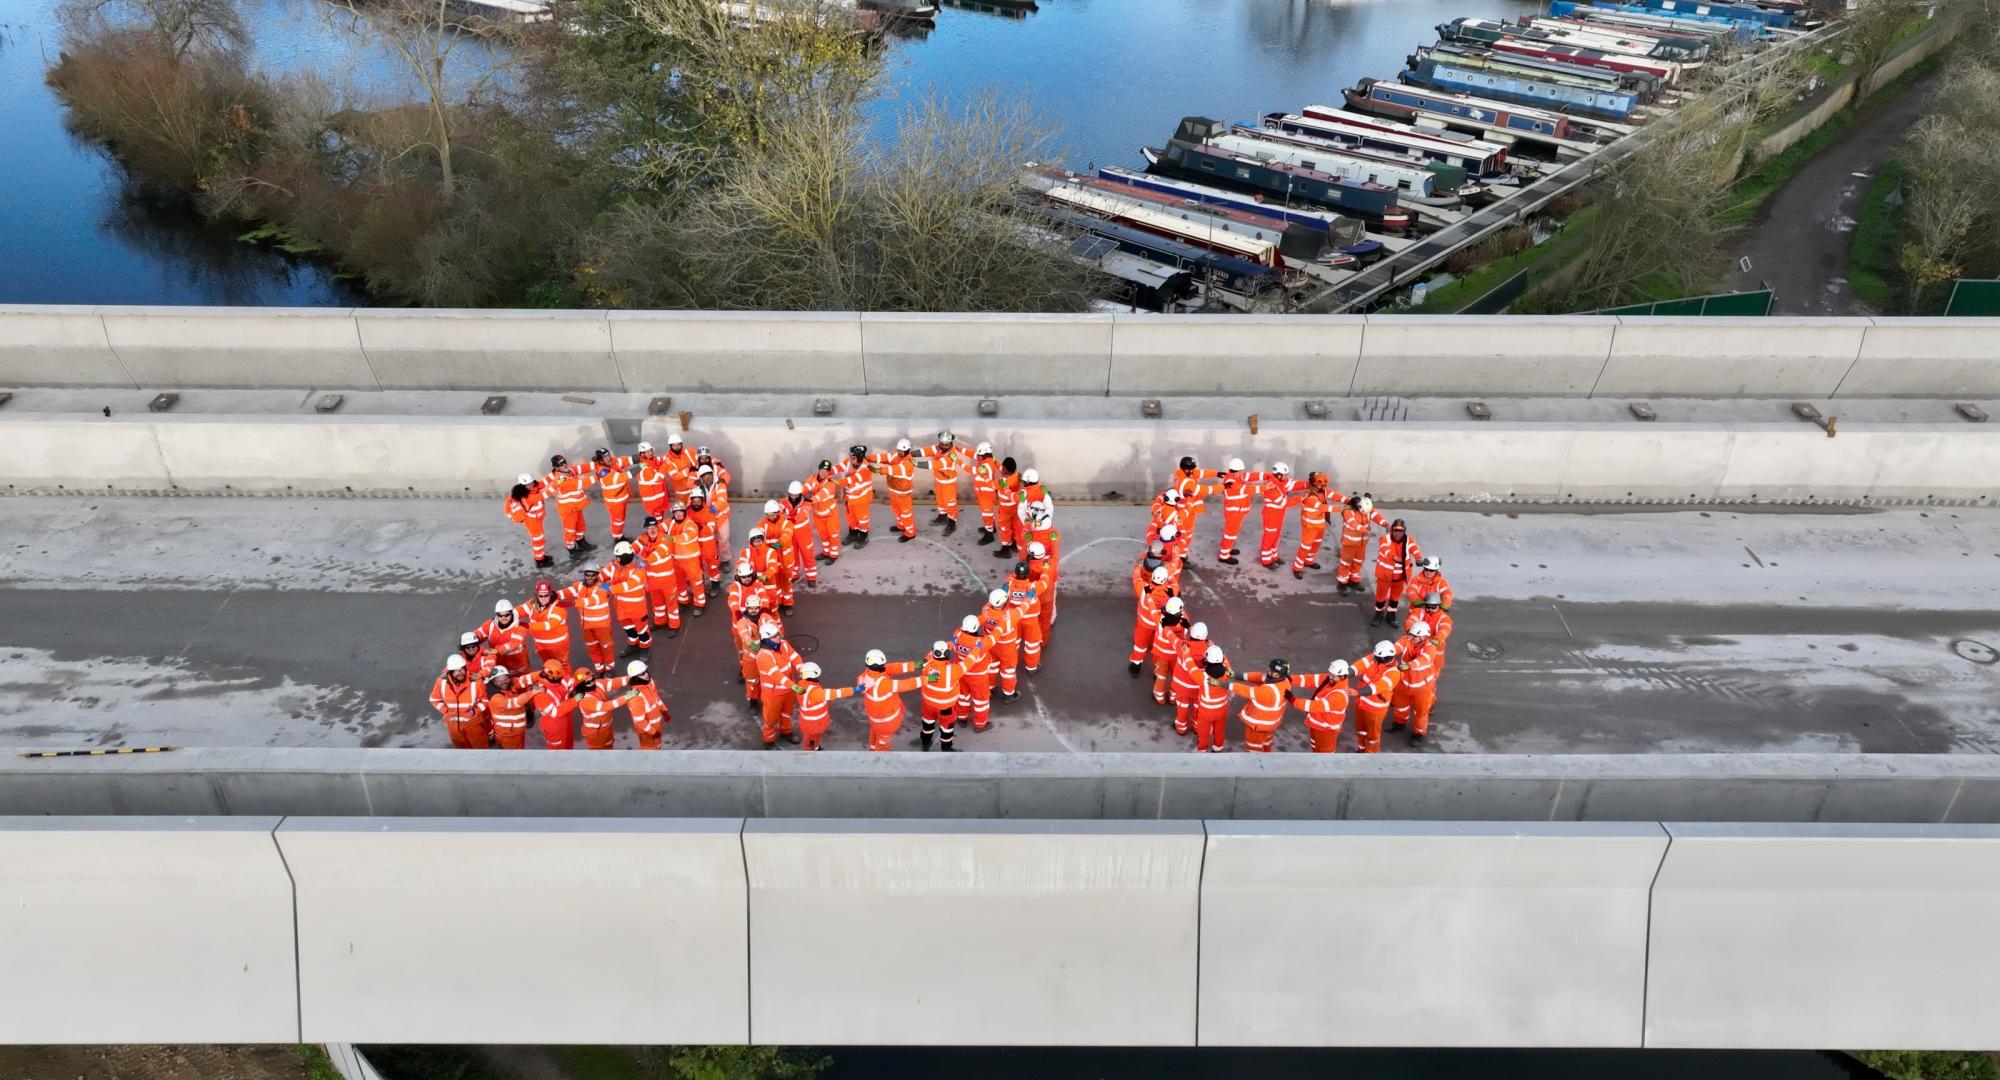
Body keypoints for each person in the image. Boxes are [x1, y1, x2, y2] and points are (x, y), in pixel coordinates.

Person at [857, 649, 924, 751]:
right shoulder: (882, 684)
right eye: (883, 665)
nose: (885, 666)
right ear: (879, 667)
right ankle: (876, 760)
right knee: (883, 746)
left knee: (874, 734)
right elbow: (906, 684)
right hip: (886, 724)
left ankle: (871, 750)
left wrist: (915, 665)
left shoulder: (864, 676)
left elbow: (893, 668)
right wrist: (927, 679)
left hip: (876, 721)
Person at [1214, 459, 1274, 565]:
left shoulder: (1238, 475)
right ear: (1235, 472)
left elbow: (1251, 476)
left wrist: (1267, 475)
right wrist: (1265, 487)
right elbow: (1246, 489)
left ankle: (1227, 549)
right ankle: (1224, 556)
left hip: (1238, 511)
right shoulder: (1231, 482)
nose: (1243, 473)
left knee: (1233, 533)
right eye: (1241, 471)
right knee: (1230, 534)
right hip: (1233, 513)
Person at [1287, 659, 1353, 754]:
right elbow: (1309, 680)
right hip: (1317, 726)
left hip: (1326, 731)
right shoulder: (1330, 681)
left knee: (1325, 755)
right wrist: (1289, 679)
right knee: (1316, 749)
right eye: (1330, 674)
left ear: (1343, 677)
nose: (1329, 677)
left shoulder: (1339, 696)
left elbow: (1317, 706)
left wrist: (1293, 701)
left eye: (1333, 676)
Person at [754, 621, 803, 748]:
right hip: (773, 695)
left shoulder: (784, 644)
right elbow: (777, 675)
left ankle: (786, 732)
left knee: (787, 713)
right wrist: (794, 686)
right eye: (775, 636)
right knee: (771, 719)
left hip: (788, 691)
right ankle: (768, 740)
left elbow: (795, 657)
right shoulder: (763, 656)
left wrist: (802, 671)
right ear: (766, 639)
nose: (779, 637)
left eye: (778, 634)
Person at [633, 516, 683, 637]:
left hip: (667, 581)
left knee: (671, 604)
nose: (652, 530)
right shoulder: (643, 539)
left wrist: (644, 562)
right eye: (649, 527)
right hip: (652, 581)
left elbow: (659, 553)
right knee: (657, 604)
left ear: (658, 527)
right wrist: (626, 553)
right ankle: (660, 622)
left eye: (654, 527)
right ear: (645, 529)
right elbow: (634, 547)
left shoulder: (666, 539)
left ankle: (674, 625)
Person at [1391, 622, 1439, 745]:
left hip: (1422, 688)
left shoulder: (1430, 647)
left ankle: (1418, 733)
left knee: (1421, 713)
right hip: (1403, 682)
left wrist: (1409, 665)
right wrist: (1387, 652)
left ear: (1424, 637)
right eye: (1411, 635)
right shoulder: (1406, 639)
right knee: (1400, 706)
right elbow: (1397, 647)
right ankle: (1400, 723)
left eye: (1414, 637)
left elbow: (1423, 660)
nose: (1411, 638)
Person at [1351, 640, 1403, 754]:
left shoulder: (1394, 672)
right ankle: (1361, 749)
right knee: (1361, 730)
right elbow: (1360, 664)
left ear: (1385, 658)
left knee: (1372, 735)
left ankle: (1371, 755)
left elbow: (1378, 687)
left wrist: (1357, 692)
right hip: (1361, 702)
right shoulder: (1376, 657)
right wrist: (1347, 672)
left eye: (1377, 657)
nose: (1374, 658)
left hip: (1375, 709)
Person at [1231, 659, 1293, 753]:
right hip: (1268, 727)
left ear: (1278, 674)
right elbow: (1260, 677)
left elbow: (1245, 690)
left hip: (1257, 729)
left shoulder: (1268, 691)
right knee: (1266, 746)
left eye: (1271, 670)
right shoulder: (1284, 682)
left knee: (1253, 752)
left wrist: (1224, 684)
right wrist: (1238, 675)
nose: (1268, 671)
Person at [543, 454, 597, 560]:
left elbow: (583, 468)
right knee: (570, 530)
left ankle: (581, 542)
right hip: (568, 510)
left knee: (580, 526)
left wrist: (597, 463)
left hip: (576, 506)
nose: (564, 465)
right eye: (561, 464)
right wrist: (598, 476)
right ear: (556, 467)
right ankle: (571, 549)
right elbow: (579, 484)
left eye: (564, 462)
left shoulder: (569, 471)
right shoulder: (561, 479)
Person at [866, 439, 920, 542]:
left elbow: (893, 470)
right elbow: (884, 457)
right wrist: (869, 458)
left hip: (903, 494)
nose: (899, 452)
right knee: (897, 510)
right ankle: (901, 526)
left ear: (908, 451)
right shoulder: (896, 455)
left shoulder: (908, 463)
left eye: (901, 451)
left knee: (905, 513)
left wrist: (878, 470)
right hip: (894, 490)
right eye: (898, 450)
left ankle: (910, 533)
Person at [1372, 519, 1424, 626]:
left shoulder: (1409, 540)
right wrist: (1394, 557)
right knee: (1381, 596)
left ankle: (1391, 615)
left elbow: (1414, 549)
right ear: (1391, 530)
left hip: (1400, 576)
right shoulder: (1384, 539)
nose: (1397, 533)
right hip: (1385, 575)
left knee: (1395, 597)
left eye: (1400, 531)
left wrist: (1418, 558)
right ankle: (1379, 614)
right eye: (1395, 530)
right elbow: (1384, 549)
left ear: (1404, 531)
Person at [431, 653, 488, 749]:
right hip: (453, 727)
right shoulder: (441, 682)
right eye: (456, 671)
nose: (460, 673)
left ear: (466, 668)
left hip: (473, 725)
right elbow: (434, 699)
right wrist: (445, 711)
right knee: (460, 750)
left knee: (480, 749)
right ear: (450, 672)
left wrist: (475, 711)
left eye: (462, 669)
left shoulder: (476, 682)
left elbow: (484, 701)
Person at [1256, 463, 1308, 569]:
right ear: (1278, 475)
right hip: (1271, 516)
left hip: (1278, 516)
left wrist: (1308, 483)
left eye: (1286, 474)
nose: (1286, 477)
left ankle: (1273, 556)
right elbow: (1283, 503)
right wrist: (1301, 498)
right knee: (1269, 537)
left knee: (1275, 537)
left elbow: (1294, 484)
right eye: (1285, 475)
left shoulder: (1280, 482)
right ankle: (1266, 560)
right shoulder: (1270, 487)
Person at [792, 662, 853, 751]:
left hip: (808, 724)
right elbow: (836, 693)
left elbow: (793, 686)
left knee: (812, 740)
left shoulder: (800, 686)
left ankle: (815, 748)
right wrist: (854, 690)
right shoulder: (815, 693)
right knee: (811, 743)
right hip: (815, 725)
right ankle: (812, 753)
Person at [916, 641, 965, 751]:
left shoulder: (925, 665)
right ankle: (946, 747)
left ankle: (925, 740)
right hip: (946, 708)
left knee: (927, 722)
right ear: (947, 654)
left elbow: (926, 658)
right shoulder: (954, 670)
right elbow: (970, 660)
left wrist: (949, 644)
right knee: (947, 728)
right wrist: (977, 649)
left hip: (928, 704)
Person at [1337, 494, 1390, 594]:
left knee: (1358, 562)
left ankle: (1354, 581)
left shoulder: (1367, 509)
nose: (1367, 514)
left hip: (1362, 544)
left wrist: (1386, 525)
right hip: (1349, 544)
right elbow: (1353, 524)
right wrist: (1366, 531)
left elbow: (1377, 517)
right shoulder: (1347, 511)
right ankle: (1342, 583)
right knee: (1346, 563)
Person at [950, 615, 995, 732]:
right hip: (978, 677)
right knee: (981, 700)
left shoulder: (957, 635)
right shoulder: (981, 643)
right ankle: (980, 724)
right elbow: (996, 636)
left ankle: (962, 717)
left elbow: (959, 630)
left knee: (963, 696)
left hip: (961, 673)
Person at [613, 659, 669, 750]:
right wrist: (653, 732)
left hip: (656, 726)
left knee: (657, 746)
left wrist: (664, 710)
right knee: (648, 749)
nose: (646, 675)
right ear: (635, 678)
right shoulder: (636, 697)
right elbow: (639, 721)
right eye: (642, 674)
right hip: (646, 732)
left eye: (645, 671)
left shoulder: (650, 683)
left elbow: (656, 698)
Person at [978, 588, 1023, 699]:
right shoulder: (1009, 616)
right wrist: (1029, 599)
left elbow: (990, 605)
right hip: (1006, 648)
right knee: (1008, 670)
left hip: (991, 645)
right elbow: (1022, 609)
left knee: (992, 667)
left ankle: (991, 687)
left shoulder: (985, 610)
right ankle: (1008, 694)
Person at [1129, 565, 1175, 675]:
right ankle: (1157, 671)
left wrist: (1139, 566)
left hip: (1144, 624)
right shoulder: (1171, 591)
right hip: (1159, 626)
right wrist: (1170, 577)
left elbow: (1136, 578)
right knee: (1158, 648)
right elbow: (1175, 585)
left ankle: (1136, 665)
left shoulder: (1144, 589)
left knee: (1140, 644)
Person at [571, 565, 616, 674]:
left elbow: (593, 600)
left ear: (597, 575)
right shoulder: (580, 586)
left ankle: (610, 669)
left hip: (602, 627)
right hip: (586, 626)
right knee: (592, 648)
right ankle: (600, 669)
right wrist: (552, 595)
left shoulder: (603, 587)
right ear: (584, 575)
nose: (590, 577)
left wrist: (574, 603)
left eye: (593, 575)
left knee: (607, 648)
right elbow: (568, 591)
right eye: (587, 575)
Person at [1170, 622, 1212, 736]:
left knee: (1182, 707)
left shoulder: (1183, 646)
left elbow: (1173, 639)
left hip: (1182, 687)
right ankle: (1197, 728)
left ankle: (1181, 728)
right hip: (1199, 688)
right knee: (1198, 708)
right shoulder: (1210, 650)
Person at [918, 430, 965, 534]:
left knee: (950, 503)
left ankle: (952, 524)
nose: (943, 446)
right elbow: (924, 451)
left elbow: (932, 465)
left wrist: (915, 463)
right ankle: (942, 517)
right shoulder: (937, 448)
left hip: (948, 484)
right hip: (939, 481)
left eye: (946, 444)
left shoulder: (950, 456)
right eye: (942, 444)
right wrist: (909, 454)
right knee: (940, 500)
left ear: (950, 443)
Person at [503, 473, 553, 568]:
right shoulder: (528, 497)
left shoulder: (529, 490)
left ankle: (541, 556)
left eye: (531, 483)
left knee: (539, 539)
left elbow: (542, 483)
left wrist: (553, 474)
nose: (531, 485)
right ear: (523, 486)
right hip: (532, 521)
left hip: (536, 519)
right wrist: (559, 482)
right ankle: (540, 561)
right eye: (528, 485)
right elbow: (545, 494)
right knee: (538, 540)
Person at [1291, 473, 1334, 579]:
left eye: (1325, 485)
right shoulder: (1309, 496)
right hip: (1310, 527)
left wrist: (1350, 501)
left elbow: (1335, 495)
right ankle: (1297, 567)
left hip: (1320, 525)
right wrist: (1341, 509)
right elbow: (1321, 507)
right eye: (1322, 485)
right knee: (1306, 546)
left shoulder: (1321, 492)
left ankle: (1308, 561)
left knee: (1316, 544)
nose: (1324, 487)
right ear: (1314, 484)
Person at [522, 578, 573, 668]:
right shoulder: (532, 604)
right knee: (548, 666)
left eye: (546, 595)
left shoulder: (558, 607)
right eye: (541, 596)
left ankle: (566, 681)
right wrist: (507, 615)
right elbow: (519, 610)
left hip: (558, 647)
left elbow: (550, 625)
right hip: (541, 646)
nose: (544, 598)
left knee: (561, 667)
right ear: (536, 595)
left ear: (550, 594)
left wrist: (527, 625)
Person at [564, 668, 619, 750]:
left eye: (593, 679)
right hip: (595, 733)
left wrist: (631, 677)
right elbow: (606, 706)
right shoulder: (584, 699)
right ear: (581, 684)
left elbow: (614, 682)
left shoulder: (597, 685)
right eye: (588, 682)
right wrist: (626, 697)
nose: (593, 682)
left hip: (606, 728)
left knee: (609, 745)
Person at [1148, 597, 1189, 706]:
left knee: (1161, 677)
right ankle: (1173, 698)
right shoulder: (1184, 621)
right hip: (1176, 656)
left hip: (1161, 655)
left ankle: (1159, 697)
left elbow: (1153, 611)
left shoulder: (1160, 619)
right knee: (1176, 678)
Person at [667, 505, 708, 614]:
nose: (678, 514)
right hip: (675, 560)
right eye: (676, 512)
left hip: (690, 560)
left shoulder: (690, 524)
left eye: (680, 512)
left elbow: (688, 536)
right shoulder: (670, 523)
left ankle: (700, 604)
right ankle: (683, 601)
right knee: (679, 583)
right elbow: (659, 528)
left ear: (685, 513)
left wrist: (672, 538)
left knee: (696, 583)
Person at [591, 447, 638, 541]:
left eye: (608, 455)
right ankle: (617, 539)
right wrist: (640, 467)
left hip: (620, 498)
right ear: (601, 461)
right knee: (618, 521)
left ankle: (620, 535)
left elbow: (625, 461)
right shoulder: (604, 472)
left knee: (620, 520)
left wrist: (639, 457)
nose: (608, 458)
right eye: (605, 457)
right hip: (615, 502)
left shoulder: (612, 462)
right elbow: (623, 477)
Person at [1006, 561, 1045, 675]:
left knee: (1013, 643)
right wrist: (1045, 568)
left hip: (1014, 619)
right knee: (1032, 644)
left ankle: (1011, 664)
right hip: (1031, 621)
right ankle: (1031, 667)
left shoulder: (1008, 585)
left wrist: (1015, 574)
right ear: (1028, 574)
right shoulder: (1033, 587)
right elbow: (1045, 581)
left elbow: (1010, 578)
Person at [1192, 647, 1233, 752]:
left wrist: (1187, 654)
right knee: (1219, 729)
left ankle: (1202, 748)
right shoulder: (1228, 672)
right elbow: (1226, 662)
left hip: (1206, 712)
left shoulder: (1202, 677)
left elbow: (1189, 666)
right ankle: (1218, 746)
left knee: (1203, 732)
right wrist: (1221, 654)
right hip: (1222, 709)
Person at [484, 669, 536, 750]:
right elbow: (513, 703)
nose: (503, 682)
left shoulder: (510, 684)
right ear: (493, 681)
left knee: (520, 750)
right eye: (499, 680)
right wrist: (532, 692)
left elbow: (527, 678)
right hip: (508, 734)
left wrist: (544, 672)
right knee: (513, 756)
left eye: (505, 679)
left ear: (509, 678)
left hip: (518, 730)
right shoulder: (494, 696)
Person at [804, 460, 844, 562]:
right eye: (822, 470)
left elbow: (821, 495)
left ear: (829, 472)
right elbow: (806, 487)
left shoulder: (831, 483)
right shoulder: (812, 479)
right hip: (818, 515)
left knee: (833, 536)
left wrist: (807, 501)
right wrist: (797, 494)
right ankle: (826, 552)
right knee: (823, 536)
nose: (824, 473)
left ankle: (834, 555)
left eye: (826, 471)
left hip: (830, 515)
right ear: (819, 469)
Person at [476, 599, 529, 677]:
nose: (503, 618)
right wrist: (470, 640)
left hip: (518, 668)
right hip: (499, 667)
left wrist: (496, 650)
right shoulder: (490, 625)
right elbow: (479, 633)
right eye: (500, 615)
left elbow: (513, 644)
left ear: (511, 613)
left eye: (507, 615)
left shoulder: (520, 628)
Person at [532, 658, 575, 749]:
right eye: (559, 677)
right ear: (552, 676)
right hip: (554, 726)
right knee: (557, 750)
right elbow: (555, 713)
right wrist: (575, 700)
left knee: (568, 742)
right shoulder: (541, 694)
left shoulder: (559, 678)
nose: (561, 679)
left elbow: (572, 683)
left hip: (566, 717)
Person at [839, 445, 875, 547]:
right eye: (850, 457)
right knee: (851, 518)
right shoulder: (850, 461)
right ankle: (853, 534)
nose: (850, 460)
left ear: (860, 458)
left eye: (853, 458)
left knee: (862, 519)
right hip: (849, 499)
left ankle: (863, 537)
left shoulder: (866, 469)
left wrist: (838, 482)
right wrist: (827, 471)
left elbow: (852, 479)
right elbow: (839, 467)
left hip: (861, 500)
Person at [969, 443, 1000, 546]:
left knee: (987, 515)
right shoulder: (989, 460)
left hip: (986, 495)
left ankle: (989, 535)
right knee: (989, 513)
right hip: (984, 493)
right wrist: (958, 449)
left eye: (979, 456)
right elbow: (971, 453)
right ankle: (992, 528)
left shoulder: (984, 466)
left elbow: (970, 470)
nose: (977, 457)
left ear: (985, 455)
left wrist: (957, 461)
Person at [991, 457, 1023, 558]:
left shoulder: (1003, 482)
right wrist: (995, 461)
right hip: (1014, 507)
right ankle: (1014, 544)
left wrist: (983, 475)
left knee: (1004, 528)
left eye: (1003, 468)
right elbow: (1002, 469)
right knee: (1014, 526)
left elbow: (991, 485)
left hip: (1005, 509)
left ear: (1005, 469)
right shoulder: (1017, 475)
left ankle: (1005, 549)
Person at [634, 442, 673, 523]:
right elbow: (657, 479)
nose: (650, 453)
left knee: (660, 517)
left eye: (651, 451)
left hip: (658, 498)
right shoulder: (644, 468)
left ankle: (660, 530)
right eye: (647, 452)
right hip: (653, 502)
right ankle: (659, 532)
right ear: (642, 454)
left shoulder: (651, 461)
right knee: (657, 519)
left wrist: (670, 455)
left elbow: (659, 459)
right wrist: (666, 465)